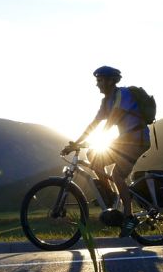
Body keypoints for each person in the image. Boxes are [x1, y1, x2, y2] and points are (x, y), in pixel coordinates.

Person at [62, 66, 151, 237]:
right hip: (126, 140)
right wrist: (76, 143)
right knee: (93, 157)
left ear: (111, 81)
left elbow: (112, 119)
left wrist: (95, 139)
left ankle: (129, 216)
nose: (97, 84)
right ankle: (110, 195)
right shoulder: (105, 101)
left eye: (101, 80)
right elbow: (94, 124)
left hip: (138, 140)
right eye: (97, 80)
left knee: (117, 175)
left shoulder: (122, 94)